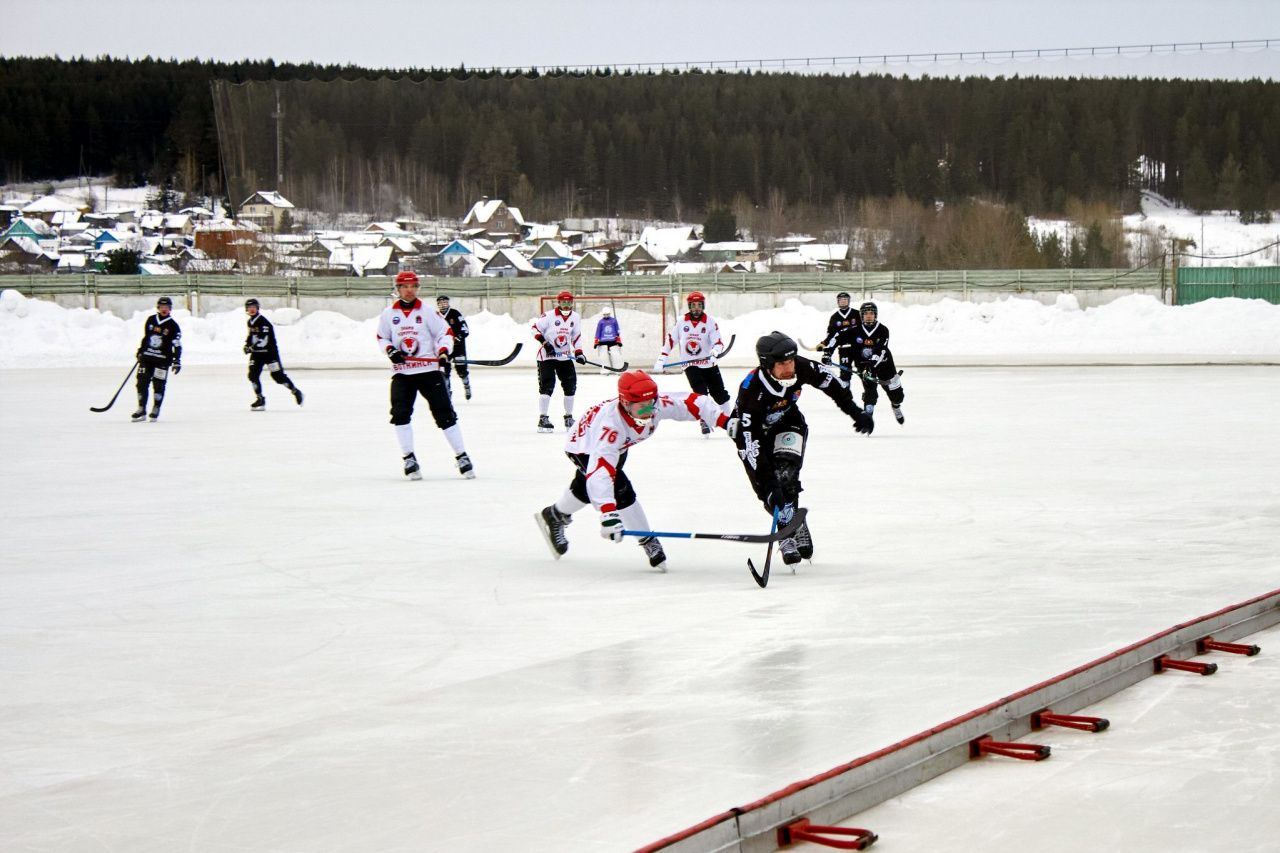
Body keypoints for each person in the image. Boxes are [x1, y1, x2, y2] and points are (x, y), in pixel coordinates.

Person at [535, 369, 729, 572]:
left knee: (585, 489)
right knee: (620, 490)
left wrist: (725, 421)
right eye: (642, 408)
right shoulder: (611, 428)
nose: (650, 412)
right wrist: (608, 513)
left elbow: (692, 403)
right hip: (584, 446)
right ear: (626, 404)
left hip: (619, 445)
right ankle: (647, 540)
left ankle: (554, 515)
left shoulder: (654, 405)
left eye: (651, 404)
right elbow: (601, 472)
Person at [728, 332, 874, 566]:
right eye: (782, 364)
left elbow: (832, 384)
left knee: (787, 477)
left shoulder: (801, 367)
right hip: (755, 437)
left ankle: (789, 527)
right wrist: (768, 485)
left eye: (791, 361)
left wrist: (855, 411)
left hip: (789, 423)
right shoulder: (750, 393)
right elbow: (749, 444)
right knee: (770, 491)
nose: (789, 368)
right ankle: (788, 527)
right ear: (766, 365)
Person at [376, 271, 474, 480]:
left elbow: (444, 334)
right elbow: (382, 337)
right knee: (400, 414)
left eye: (413, 286)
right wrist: (391, 351)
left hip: (429, 372)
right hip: (403, 373)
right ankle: (409, 457)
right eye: (405, 286)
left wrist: (443, 351)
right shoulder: (388, 314)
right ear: (398, 288)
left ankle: (462, 456)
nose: (409, 290)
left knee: (445, 414)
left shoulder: (428, 311)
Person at [653, 291, 730, 435]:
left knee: (719, 394)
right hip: (690, 364)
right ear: (689, 306)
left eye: (699, 305)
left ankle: (731, 419)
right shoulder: (682, 322)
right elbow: (671, 339)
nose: (696, 308)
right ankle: (705, 420)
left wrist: (714, 352)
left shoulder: (710, 322)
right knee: (700, 392)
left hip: (708, 363)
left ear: (703, 306)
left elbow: (718, 341)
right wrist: (662, 357)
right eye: (693, 305)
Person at [531, 290, 585, 433]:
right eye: (563, 302)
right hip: (547, 357)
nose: (567, 305)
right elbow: (534, 329)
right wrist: (545, 344)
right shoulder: (549, 316)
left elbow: (576, 336)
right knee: (547, 386)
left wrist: (579, 353)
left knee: (570, 386)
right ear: (559, 302)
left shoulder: (575, 317)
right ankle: (543, 418)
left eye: (569, 302)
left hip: (564, 356)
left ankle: (568, 417)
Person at [851, 301, 906, 425]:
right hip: (866, 367)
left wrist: (872, 363)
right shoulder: (855, 331)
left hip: (885, 365)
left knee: (898, 396)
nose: (869, 316)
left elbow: (881, 349)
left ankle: (896, 406)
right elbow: (839, 337)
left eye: (871, 313)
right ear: (861, 315)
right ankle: (868, 419)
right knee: (870, 394)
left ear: (875, 315)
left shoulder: (883, 330)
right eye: (866, 313)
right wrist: (827, 350)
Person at [243, 298, 303, 411]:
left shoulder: (263, 322)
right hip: (257, 355)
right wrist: (247, 345)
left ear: (257, 308)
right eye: (249, 308)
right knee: (252, 375)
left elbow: (263, 340)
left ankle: (295, 391)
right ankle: (260, 398)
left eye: (254, 307)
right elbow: (251, 336)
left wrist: (252, 347)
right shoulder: (250, 322)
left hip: (270, 354)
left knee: (278, 377)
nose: (252, 310)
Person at [131, 295, 182, 421]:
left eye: (167, 307)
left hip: (162, 360)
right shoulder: (151, 320)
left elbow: (177, 344)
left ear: (170, 309)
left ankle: (156, 408)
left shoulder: (173, 325)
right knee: (141, 383)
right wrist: (140, 351)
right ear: (158, 308)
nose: (164, 309)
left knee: (158, 385)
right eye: (162, 307)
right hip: (147, 359)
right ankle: (141, 408)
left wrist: (177, 360)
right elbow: (146, 338)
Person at [435, 294, 472, 400]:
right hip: (445, 348)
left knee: (461, 370)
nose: (443, 304)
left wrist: (459, 336)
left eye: (445, 302)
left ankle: (467, 386)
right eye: (441, 303)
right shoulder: (436, 316)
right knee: (445, 372)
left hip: (458, 348)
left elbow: (465, 329)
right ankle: (447, 392)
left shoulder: (455, 314)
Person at [820, 291, 859, 377]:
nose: (843, 301)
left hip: (857, 348)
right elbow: (831, 334)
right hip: (844, 349)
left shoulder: (857, 314)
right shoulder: (834, 317)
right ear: (838, 301)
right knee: (845, 374)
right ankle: (845, 390)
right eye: (841, 300)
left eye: (845, 299)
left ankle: (869, 390)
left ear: (849, 301)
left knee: (863, 371)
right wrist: (825, 344)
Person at [593, 307, 623, 373]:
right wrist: (596, 341)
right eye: (605, 314)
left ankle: (618, 369)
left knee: (616, 355)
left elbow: (617, 330)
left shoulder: (614, 321)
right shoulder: (601, 322)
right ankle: (605, 370)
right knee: (604, 357)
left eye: (607, 314)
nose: (606, 316)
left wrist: (618, 340)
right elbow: (598, 331)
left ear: (609, 314)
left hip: (613, 341)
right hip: (602, 341)